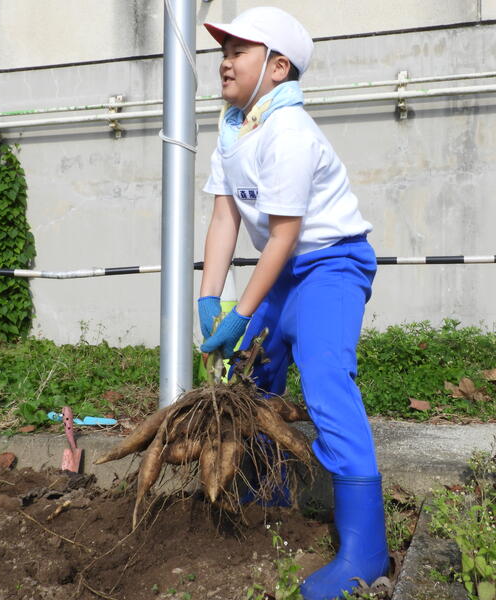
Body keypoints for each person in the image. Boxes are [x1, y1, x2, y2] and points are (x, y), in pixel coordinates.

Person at [196, 7, 389, 600]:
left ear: (278, 68)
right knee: (254, 374)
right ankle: (269, 492)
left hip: (332, 263)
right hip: (284, 270)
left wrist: (242, 312)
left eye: (240, 51)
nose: (225, 61)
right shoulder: (234, 128)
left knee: (326, 376)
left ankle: (365, 548)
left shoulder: (290, 132)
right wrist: (209, 298)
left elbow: (283, 235)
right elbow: (225, 218)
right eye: (223, 51)